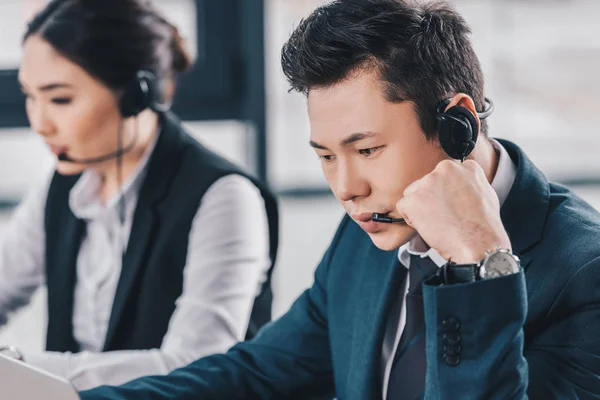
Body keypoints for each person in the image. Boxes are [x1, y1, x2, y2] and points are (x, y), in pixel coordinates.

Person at [81, 0, 600, 399]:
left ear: (456, 122)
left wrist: (480, 263)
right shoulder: (366, 236)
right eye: (326, 156)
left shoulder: (585, 269)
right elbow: (256, 373)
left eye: (368, 149)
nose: (346, 188)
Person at [0, 0, 278, 391]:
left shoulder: (224, 197)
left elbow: (194, 363)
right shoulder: (60, 186)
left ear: (137, 95)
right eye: (30, 96)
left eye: (59, 99)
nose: (39, 123)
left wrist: (18, 365)